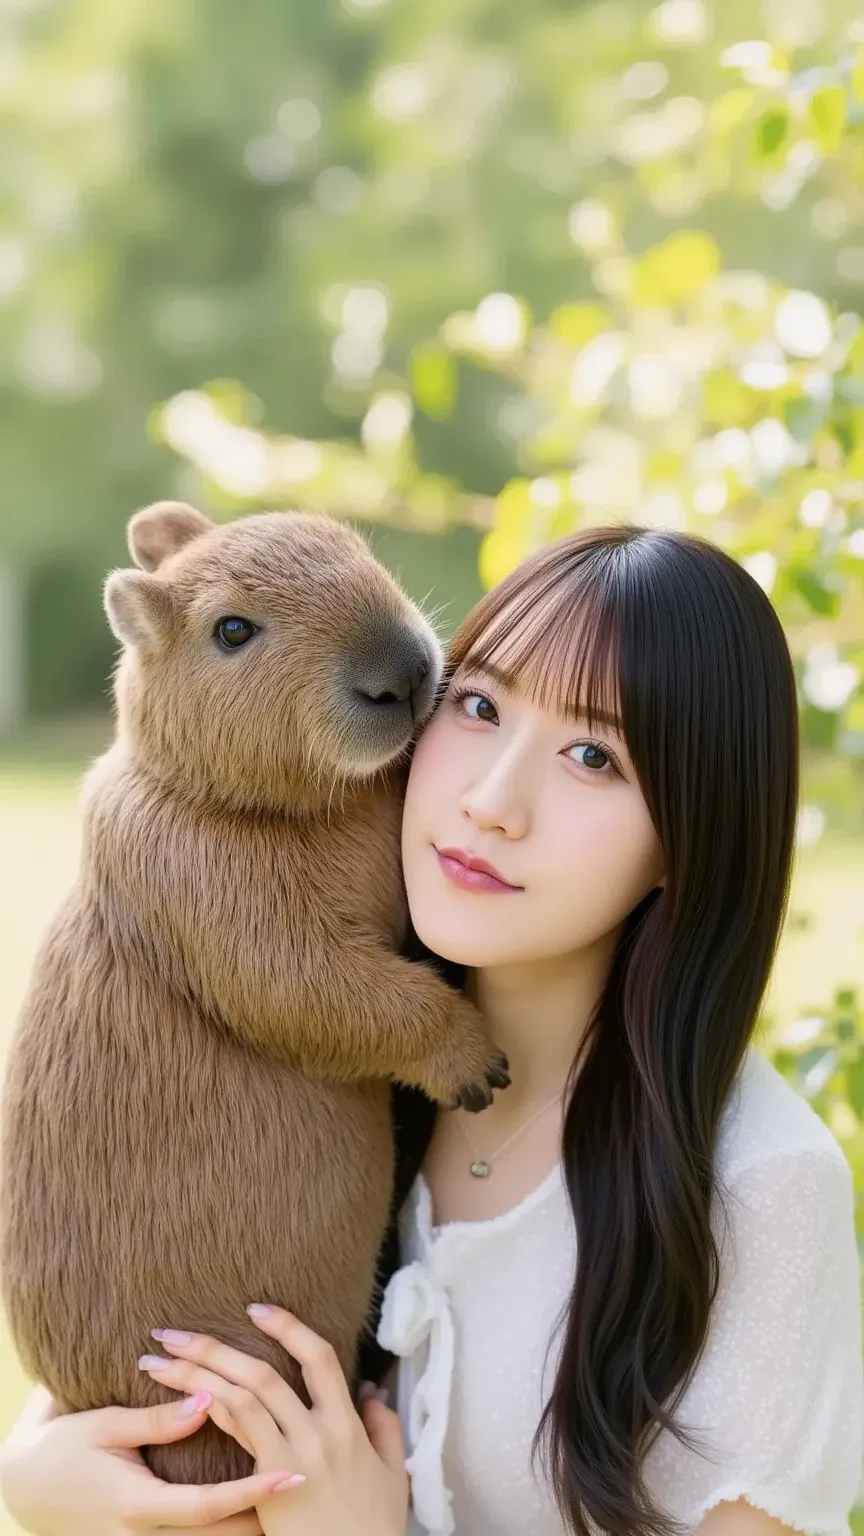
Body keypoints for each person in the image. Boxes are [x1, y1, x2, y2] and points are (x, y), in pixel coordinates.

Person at [2, 525, 861, 1536]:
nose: (494, 803)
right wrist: (37, 1476)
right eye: (481, 705)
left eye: (593, 756)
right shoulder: (349, 1048)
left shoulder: (758, 1189)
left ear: (693, 825)